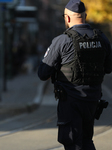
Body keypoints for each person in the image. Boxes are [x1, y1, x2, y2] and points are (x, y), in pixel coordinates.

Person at [38, 0, 112, 149]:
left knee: (72, 143)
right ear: (84, 16)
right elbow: (109, 68)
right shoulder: (101, 38)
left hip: (71, 101)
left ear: (68, 18)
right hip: (93, 100)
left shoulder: (62, 40)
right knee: (87, 140)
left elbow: (43, 73)